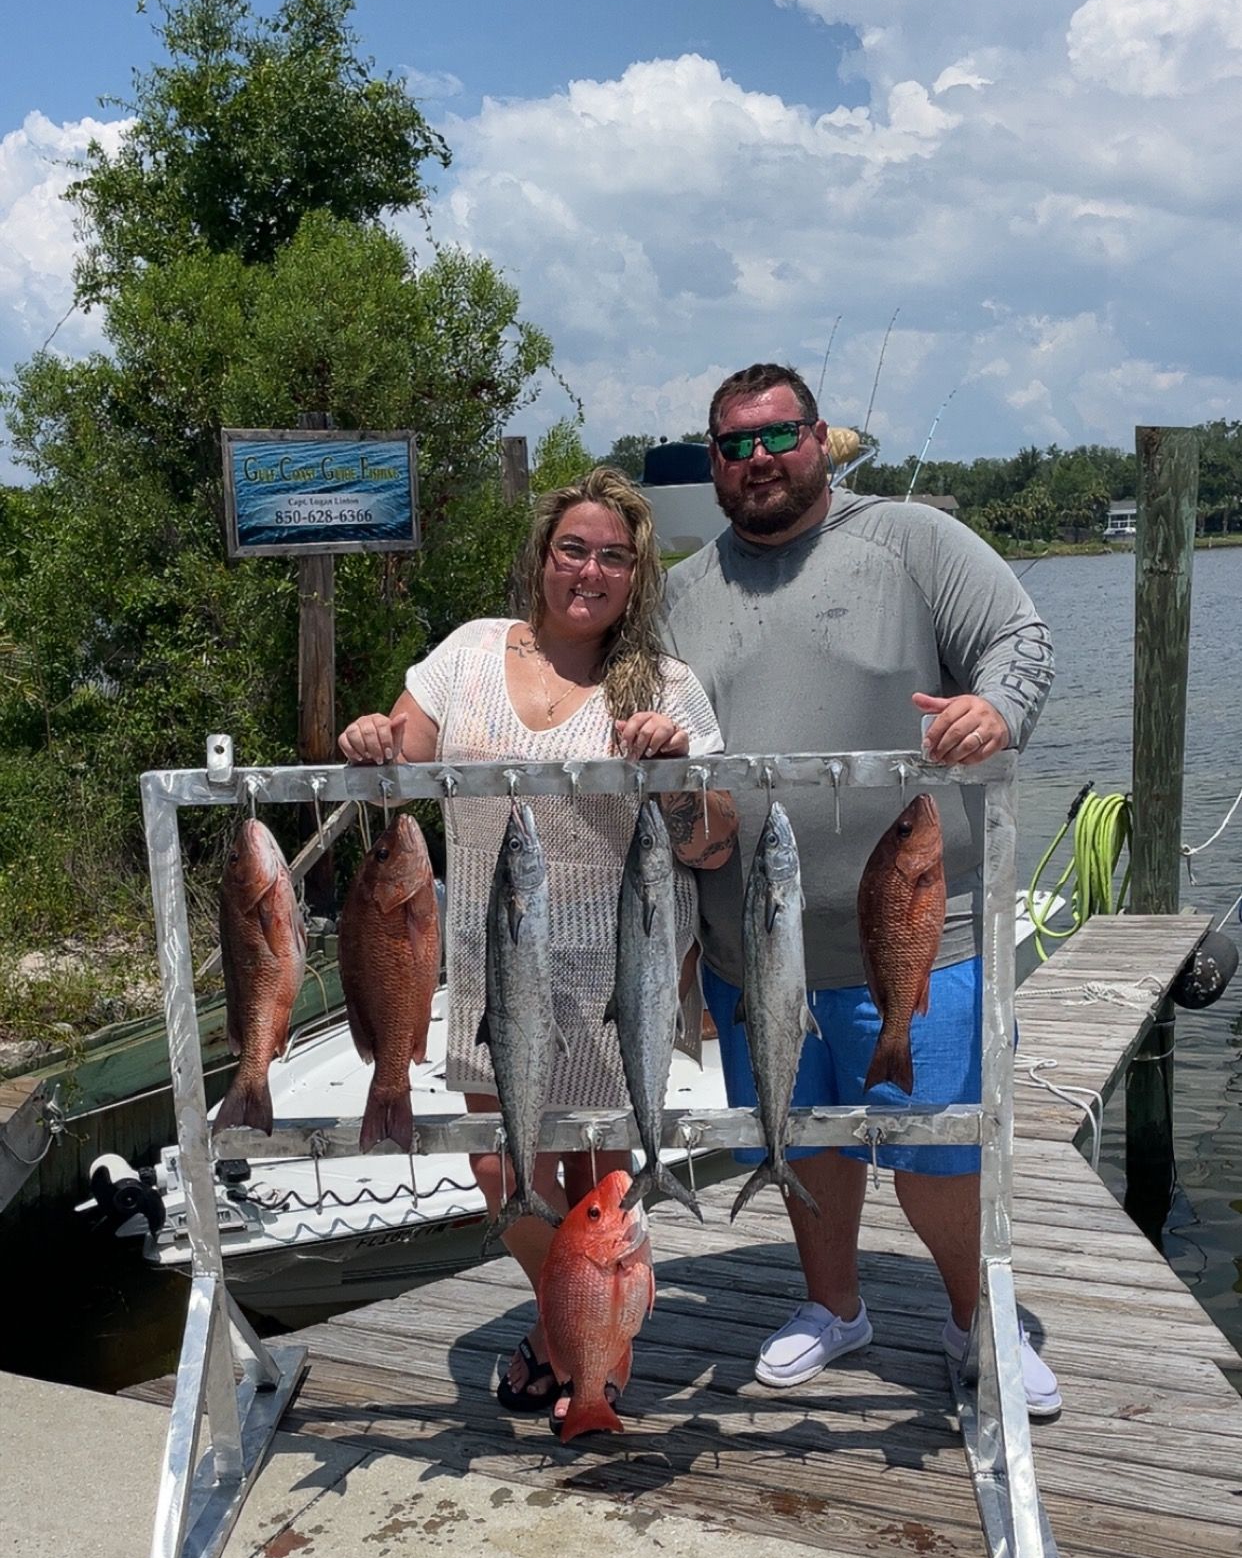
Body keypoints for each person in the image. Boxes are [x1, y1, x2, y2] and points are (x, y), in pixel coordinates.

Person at [660, 364, 1062, 1419]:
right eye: (736, 445)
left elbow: (1022, 640)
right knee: (810, 1143)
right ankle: (834, 1306)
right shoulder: (678, 595)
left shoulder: (915, 539)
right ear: (713, 465)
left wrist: (996, 714)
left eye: (779, 436)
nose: (760, 461)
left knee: (938, 1147)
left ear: (821, 439)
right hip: (759, 947)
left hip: (930, 934)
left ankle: (981, 1316)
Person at [339, 465, 737, 1420]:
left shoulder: (667, 688)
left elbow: (715, 842)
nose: (589, 571)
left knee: (593, 1180)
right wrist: (371, 742)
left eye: (613, 556)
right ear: (542, 558)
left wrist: (678, 776)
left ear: (636, 575)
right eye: (573, 549)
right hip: (490, 964)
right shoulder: (468, 655)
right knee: (500, 1162)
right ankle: (570, 1326)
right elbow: (405, 745)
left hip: (616, 977)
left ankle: (578, 1343)